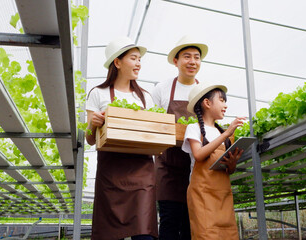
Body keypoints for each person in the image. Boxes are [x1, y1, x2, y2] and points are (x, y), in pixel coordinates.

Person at [85, 36, 158, 240]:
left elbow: (153, 135)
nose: (138, 64)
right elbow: (90, 139)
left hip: (142, 173)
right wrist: (94, 124)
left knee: (145, 234)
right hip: (111, 174)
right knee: (109, 234)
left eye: (139, 59)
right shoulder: (97, 94)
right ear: (117, 62)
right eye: (133, 58)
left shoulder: (146, 97)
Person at [152, 35, 208, 240]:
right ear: (176, 61)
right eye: (187, 56)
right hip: (168, 166)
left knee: (192, 222)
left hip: (197, 166)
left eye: (196, 57)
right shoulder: (162, 89)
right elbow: (153, 124)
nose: (192, 61)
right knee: (169, 220)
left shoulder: (206, 91)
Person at [181, 83, 245, 239]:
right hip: (202, 196)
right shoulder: (193, 128)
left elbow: (229, 170)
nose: (225, 105)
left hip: (223, 195)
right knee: (206, 235)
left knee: (228, 234)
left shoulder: (221, 132)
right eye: (221, 100)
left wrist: (232, 164)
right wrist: (226, 134)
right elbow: (199, 155)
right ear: (207, 103)